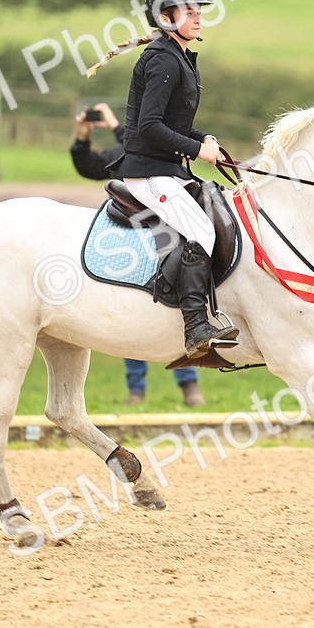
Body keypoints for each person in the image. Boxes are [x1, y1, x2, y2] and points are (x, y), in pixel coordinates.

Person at [104, 0, 240, 359]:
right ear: (166, 17)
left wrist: (204, 138)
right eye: (189, 11)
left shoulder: (178, 56)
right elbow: (149, 126)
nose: (198, 18)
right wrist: (198, 150)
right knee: (202, 230)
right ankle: (195, 326)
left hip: (166, 169)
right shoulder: (164, 59)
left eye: (200, 11)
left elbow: (173, 124)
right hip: (147, 171)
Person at [70, 101, 205, 407]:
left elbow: (140, 140)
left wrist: (116, 125)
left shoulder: (155, 146)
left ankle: (188, 384)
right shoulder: (123, 153)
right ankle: (138, 389)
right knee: (131, 307)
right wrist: (82, 137)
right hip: (131, 237)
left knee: (180, 293)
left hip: (166, 231)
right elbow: (89, 166)